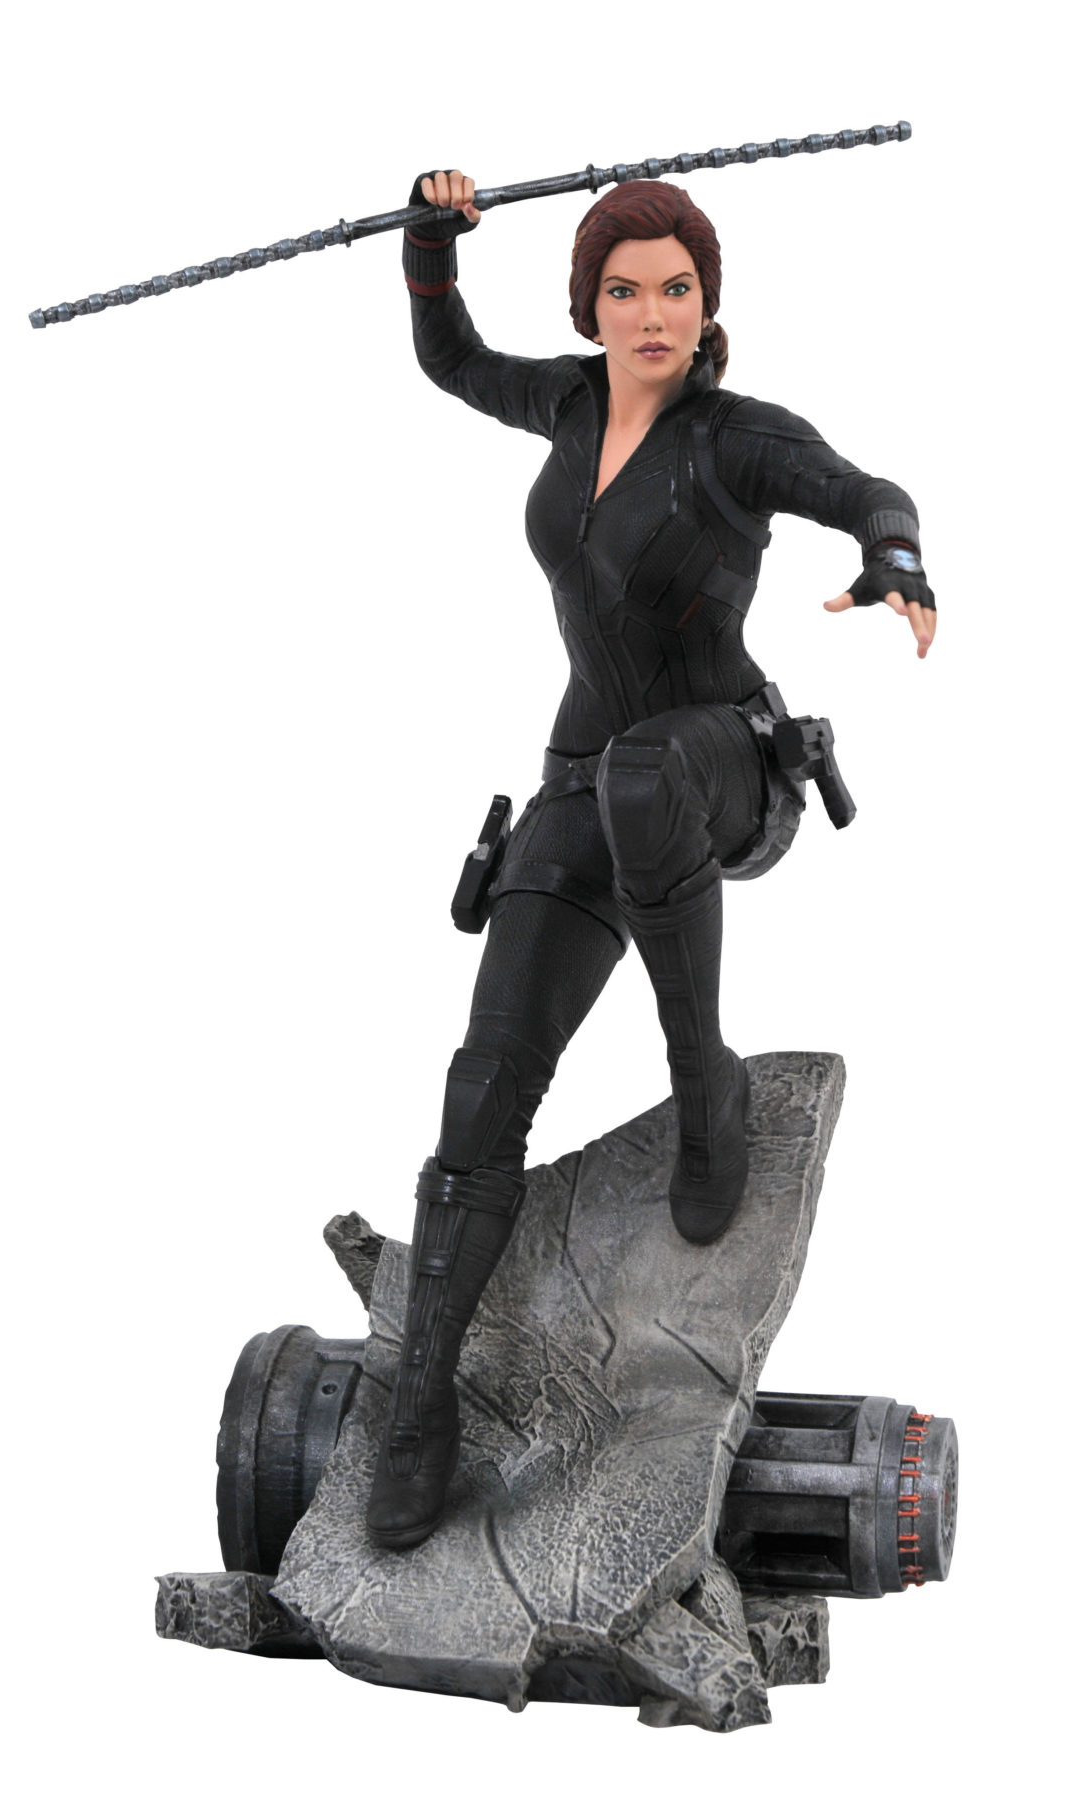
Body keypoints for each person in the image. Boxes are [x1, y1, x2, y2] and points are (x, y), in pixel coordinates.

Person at [366, 168, 936, 1550]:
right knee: (484, 1079)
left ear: (705, 300)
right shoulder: (568, 406)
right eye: (624, 290)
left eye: (676, 288)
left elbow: (863, 487)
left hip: (718, 764)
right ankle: (422, 1395)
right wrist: (430, 244)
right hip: (588, 771)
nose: (652, 314)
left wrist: (897, 555)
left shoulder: (734, 439)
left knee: (642, 776)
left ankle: (703, 1081)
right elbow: (451, 359)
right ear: (592, 305)